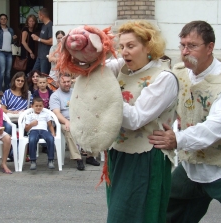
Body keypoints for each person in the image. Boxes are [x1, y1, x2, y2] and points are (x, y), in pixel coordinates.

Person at [148, 20, 221, 223]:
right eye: (183, 45)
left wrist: (177, 140)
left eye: (192, 46)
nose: (185, 51)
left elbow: (216, 127)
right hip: (193, 163)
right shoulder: (178, 73)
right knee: (166, 210)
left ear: (210, 47)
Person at [95, 21, 178, 222]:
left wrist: (108, 91)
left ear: (148, 46)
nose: (124, 52)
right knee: (119, 214)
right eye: (122, 47)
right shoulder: (123, 68)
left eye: (131, 46)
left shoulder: (164, 78)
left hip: (146, 158)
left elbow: (135, 119)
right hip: (118, 153)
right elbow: (95, 69)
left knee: (136, 216)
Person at [50, 73, 101, 171]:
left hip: (78, 119)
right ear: (58, 82)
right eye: (63, 82)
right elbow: (56, 113)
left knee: (92, 126)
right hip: (64, 121)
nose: (66, 84)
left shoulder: (75, 92)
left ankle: (90, 156)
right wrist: (66, 121)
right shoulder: (55, 96)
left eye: (68, 81)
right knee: (69, 129)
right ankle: (78, 158)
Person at [25, 97, 56, 170]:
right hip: (33, 131)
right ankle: (33, 161)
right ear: (32, 106)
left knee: (50, 139)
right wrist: (32, 124)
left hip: (44, 131)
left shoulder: (46, 114)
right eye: (36, 106)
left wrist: (53, 133)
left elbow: (50, 125)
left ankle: (50, 160)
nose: (38, 107)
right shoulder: (29, 116)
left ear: (43, 106)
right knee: (32, 139)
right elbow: (26, 129)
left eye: (40, 106)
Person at [0, 14, 17, 96]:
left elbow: (13, 43)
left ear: (7, 20)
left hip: (9, 52)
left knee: (8, 72)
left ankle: (7, 89)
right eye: (1, 19)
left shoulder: (10, 30)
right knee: (2, 71)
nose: (3, 20)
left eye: (5, 19)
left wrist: (14, 39)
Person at [31, 8, 53, 74]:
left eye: (38, 15)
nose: (38, 17)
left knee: (44, 75)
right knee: (33, 74)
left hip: (45, 55)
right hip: (40, 55)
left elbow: (51, 41)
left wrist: (39, 39)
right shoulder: (44, 25)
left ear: (42, 15)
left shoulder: (50, 25)